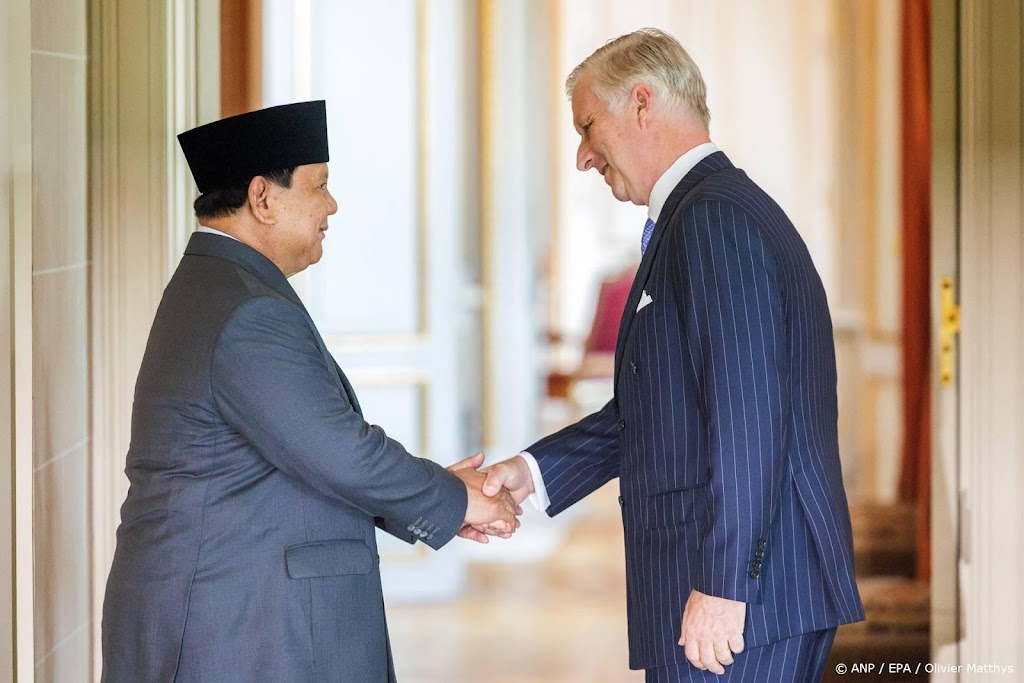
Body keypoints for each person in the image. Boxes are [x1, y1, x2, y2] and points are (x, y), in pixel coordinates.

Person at [482, 29, 864, 682]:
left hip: (747, 601)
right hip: (741, 590)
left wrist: (724, 585)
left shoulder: (714, 219)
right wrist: (534, 472)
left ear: (641, 103)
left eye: (587, 126)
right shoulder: (703, 214)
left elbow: (748, 417)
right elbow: (659, 409)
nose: (582, 157)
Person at [101, 100, 518, 683]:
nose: (332, 204)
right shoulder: (247, 310)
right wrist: (454, 498)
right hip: (232, 624)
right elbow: (340, 452)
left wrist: (438, 497)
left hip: (230, 613)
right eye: (319, 185)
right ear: (262, 198)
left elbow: (311, 455)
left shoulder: (221, 284)